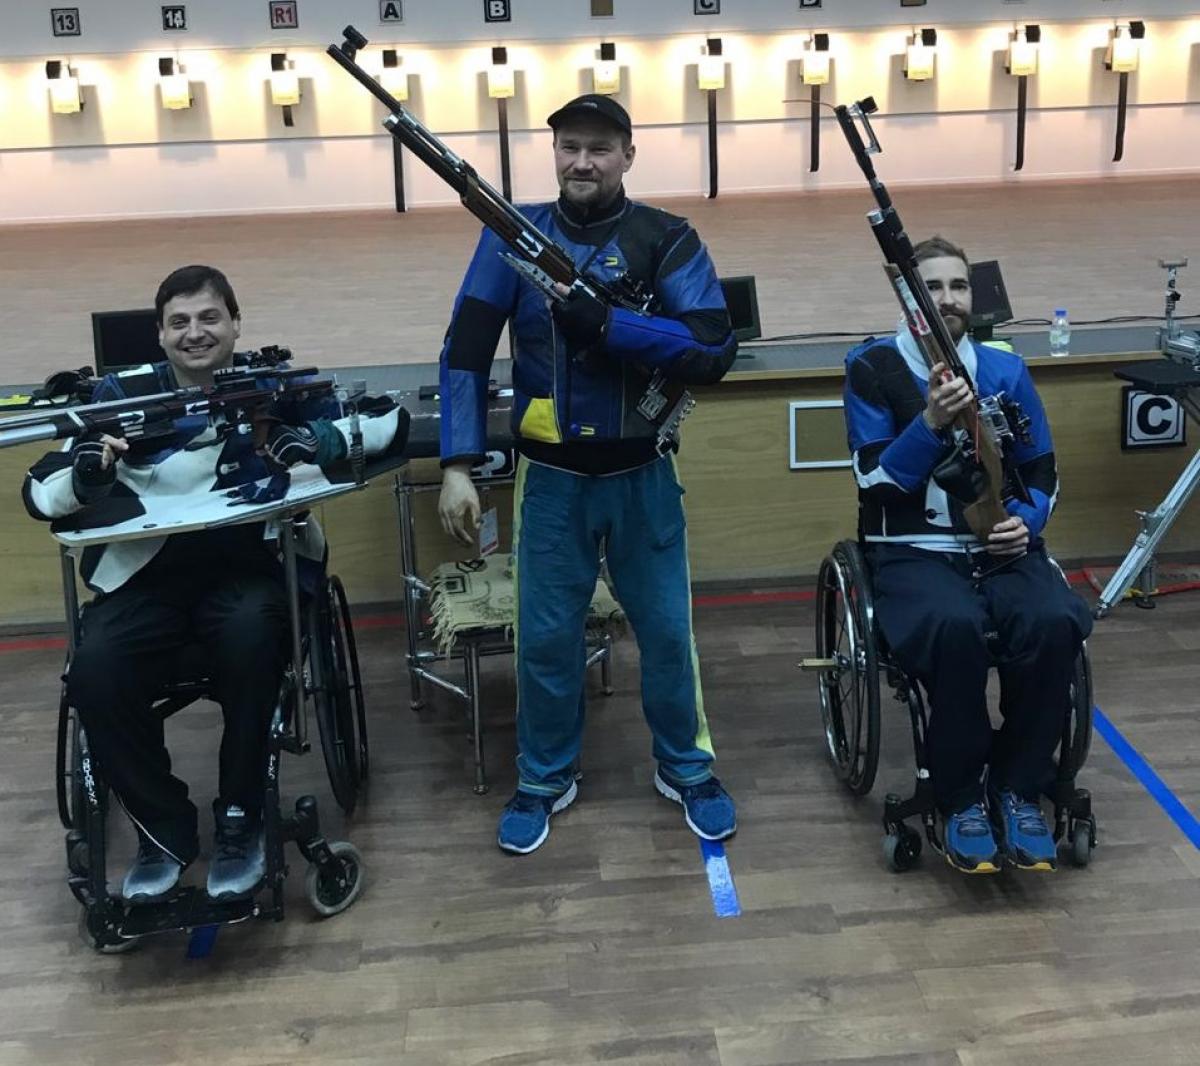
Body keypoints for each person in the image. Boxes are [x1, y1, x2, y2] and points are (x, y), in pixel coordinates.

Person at [23, 265, 407, 903]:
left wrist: (311, 439)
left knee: (254, 638)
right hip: (145, 578)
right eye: (180, 322)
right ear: (160, 334)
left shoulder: (270, 386)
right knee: (94, 668)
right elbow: (41, 490)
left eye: (209, 318)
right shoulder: (117, 397)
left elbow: (385, 418)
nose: (195, 333)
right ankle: (163, 831)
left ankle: (241, 817)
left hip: (249, 571)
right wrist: (88, 474)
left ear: (235, 323)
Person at [437, 94, 738, 855]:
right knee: (544, 640)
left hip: (644, 474)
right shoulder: (512, 236)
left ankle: (686, 767)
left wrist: (609, 326)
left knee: (668, 635)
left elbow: (713, 347)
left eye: (599, 148)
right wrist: (457, 465)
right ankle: (543, 778)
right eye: (570, 146)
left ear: (628, 156)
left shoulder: (666, 239)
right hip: (551, 479)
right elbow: (465, 353)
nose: (582, 161)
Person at [842, 236, 1093, 874]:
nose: (949, 299)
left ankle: (1016, 786)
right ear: (909, 297)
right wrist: (927, 423)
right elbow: (874, 481)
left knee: (1054, 620)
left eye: (959, 287)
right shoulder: (871, 367)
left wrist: (1026, 524)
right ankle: (958, 796)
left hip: (1002, 552)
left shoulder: (1006, 369)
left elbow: (1043, 473)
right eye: (933, 287)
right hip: (912, 552)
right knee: (952, 629)